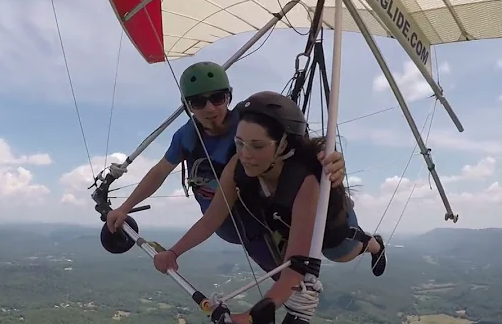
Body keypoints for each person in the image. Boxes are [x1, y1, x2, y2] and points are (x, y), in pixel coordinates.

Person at [153, 91, 387, 324]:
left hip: (329, 222)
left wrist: (249, 317)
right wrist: (173, 252)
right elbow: (212, 218)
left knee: (341, 251)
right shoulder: (237, 166)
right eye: (239, 143)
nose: (245, 154)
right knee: (279, 256)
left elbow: (297, 266)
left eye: (257, 146)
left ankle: (374, 244)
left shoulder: (304, 181)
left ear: (284, 145)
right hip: (282, 217)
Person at [107, 61, 350, 276]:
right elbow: (160, 171)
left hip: (258, 214)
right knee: (287, 280)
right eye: (198, 102)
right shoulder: (187, 137)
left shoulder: (251, 127)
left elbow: (299, 153)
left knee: (340, 249)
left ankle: (370, 244)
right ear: (188, 106)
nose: (210, 109)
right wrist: (125, 208)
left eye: (217, 98)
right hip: (228, 224)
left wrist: (331, 162)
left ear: (229, 97)